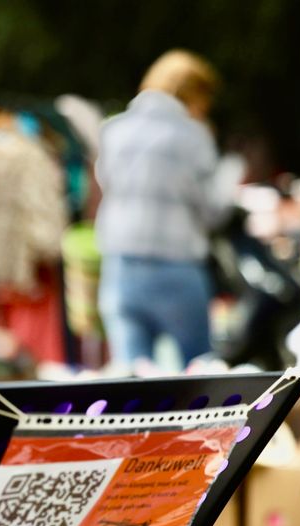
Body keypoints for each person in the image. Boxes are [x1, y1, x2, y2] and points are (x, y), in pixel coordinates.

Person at [93, 50, 229, 373]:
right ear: (193, 95)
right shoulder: (194, 136)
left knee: (131, 380)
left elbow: (104, 185)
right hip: (177, 270)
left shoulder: (113, 130)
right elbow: (213, 211)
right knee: (199, 376)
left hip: (121, 270)